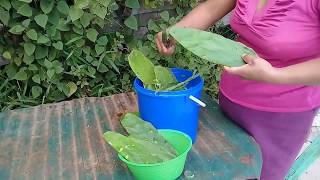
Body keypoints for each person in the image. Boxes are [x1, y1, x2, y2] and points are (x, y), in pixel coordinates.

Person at [155, 0, 320, 179]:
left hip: (280, 116)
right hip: (231, 101)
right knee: (225, 171)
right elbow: (211, 8)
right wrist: (177, 31)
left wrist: (274, 75)